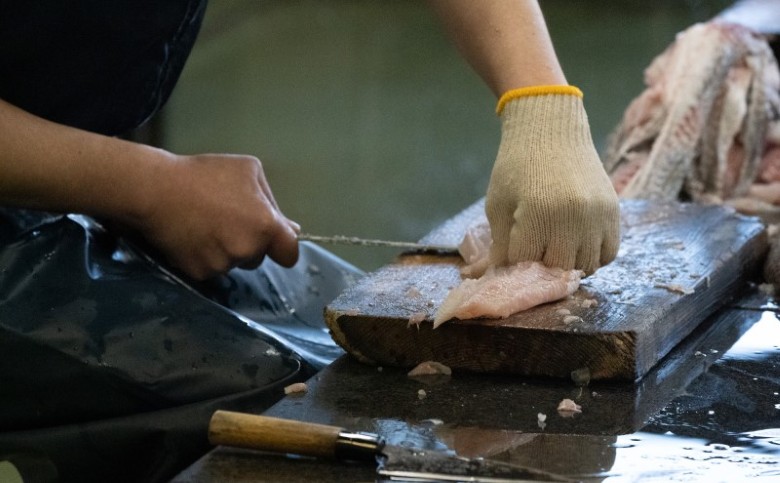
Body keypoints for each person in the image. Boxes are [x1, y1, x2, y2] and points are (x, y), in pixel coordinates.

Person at [0, 1, 619, 481]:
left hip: (77, 177)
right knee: (299, 405)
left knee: (361, 345)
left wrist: (540, 102)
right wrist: (144, 184)